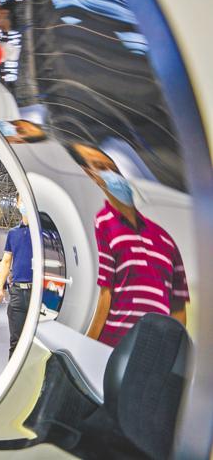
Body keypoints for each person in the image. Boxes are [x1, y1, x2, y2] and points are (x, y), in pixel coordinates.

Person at [66, 143, 189, 347]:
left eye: (113, 168)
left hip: (153, 348)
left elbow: (178, 307)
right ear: (89, 173)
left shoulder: (165, 239)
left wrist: (171, 351)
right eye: (101, 167)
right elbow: (105, 297)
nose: (113, 174)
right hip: (112, 346)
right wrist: (86, 348)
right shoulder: (102, 224)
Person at [0, 194, 32, 359]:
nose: (25, 203)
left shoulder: (44, 232)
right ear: (17, 204)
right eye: (22, 199)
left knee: (39, 343)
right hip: (17, 294)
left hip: (40, 293)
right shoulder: (13, 233)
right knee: (16, 342)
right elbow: (6, 261)